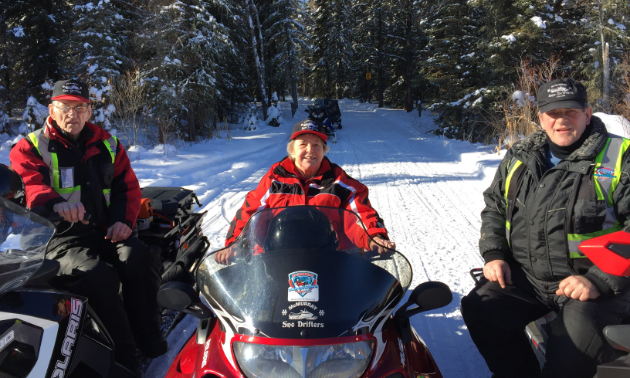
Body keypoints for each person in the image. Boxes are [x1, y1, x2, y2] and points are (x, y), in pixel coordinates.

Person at [461, 78, 630, 378]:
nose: (562, 120)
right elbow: (495, 207)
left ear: (588, 114)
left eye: (571, 112)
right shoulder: (520, 156)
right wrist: (495, 253)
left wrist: (598, 280)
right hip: (531, 279)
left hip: (594, 285)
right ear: (540, 117)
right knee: (480, 308)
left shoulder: (620, 157)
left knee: (569, 352)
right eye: (553, 113)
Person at [9, 79, 165, 374]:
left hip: (105, 230)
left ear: (89, 111)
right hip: (57, 238)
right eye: (66, 107)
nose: (73, 114)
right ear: (51, 109)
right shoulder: (29, 147)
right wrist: (55, 204)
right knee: (96, 277)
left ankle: (149, 338)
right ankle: (122, 358)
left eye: (80, 107)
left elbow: (127, 188)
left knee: (140, 257)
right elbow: (29, 184)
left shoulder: (107, 143)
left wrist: (122, 221)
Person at [216, 119, 394, 263]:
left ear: (324, 151)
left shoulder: (339, 183)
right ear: (292, 151)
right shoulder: (274, 180)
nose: (310, 150)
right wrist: (235, 243)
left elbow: (361, 214)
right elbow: (250, 213)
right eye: (303, 145)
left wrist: (374, 237)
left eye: (316, 145)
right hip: (276, 262)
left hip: (332, 263)